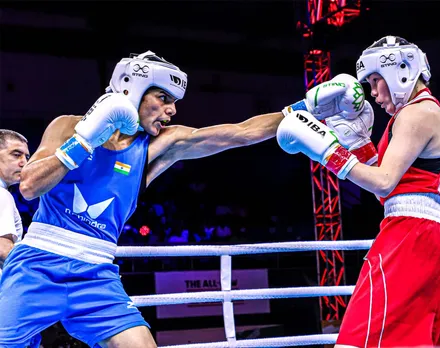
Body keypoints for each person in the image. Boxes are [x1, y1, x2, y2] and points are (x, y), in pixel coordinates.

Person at [0, 50, 289, 347]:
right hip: (37, 266)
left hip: (97, 274)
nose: (172, 110)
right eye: (164, 98)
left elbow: (240, 132)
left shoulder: (158, 145)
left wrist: (302, 111)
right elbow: (29, 186)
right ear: (132, 91)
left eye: (174, 102)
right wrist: (85, 140)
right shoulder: (67, 126)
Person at [277, 36, 440, 347]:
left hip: (411, 235)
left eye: (376, 81)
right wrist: (360, 146)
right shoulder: (421, 113)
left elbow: (383, 182)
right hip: (433, 236)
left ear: (400, 71)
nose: (374, 94)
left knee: (358, 340)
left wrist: (327, 150)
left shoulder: (416, 113)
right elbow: (390, 191)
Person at [0, 129, 29, 279]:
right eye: (16, 155)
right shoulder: (2, 195)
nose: (24, 162)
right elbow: (4, 249)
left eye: (26, 156)